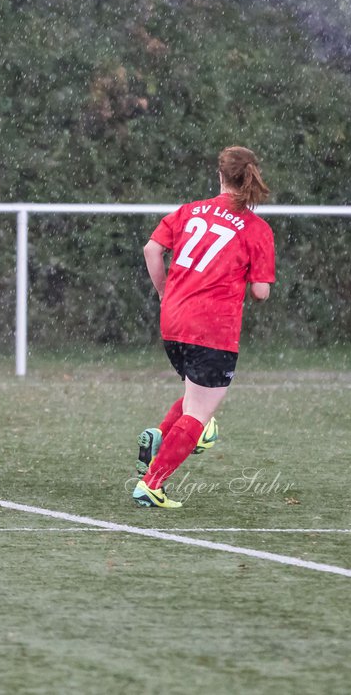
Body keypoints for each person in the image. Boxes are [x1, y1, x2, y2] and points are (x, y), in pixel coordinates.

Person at [132, 146, 275, 509]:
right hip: (212, 327)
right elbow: (260, 292)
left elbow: (152, 249)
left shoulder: (189, 211)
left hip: (173, 321)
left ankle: (161, 437)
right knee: (199, 413)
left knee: (196, 399)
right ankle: (153, 483)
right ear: (252, 178)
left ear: (220, 176)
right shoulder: (257, 229)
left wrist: (166, 292)